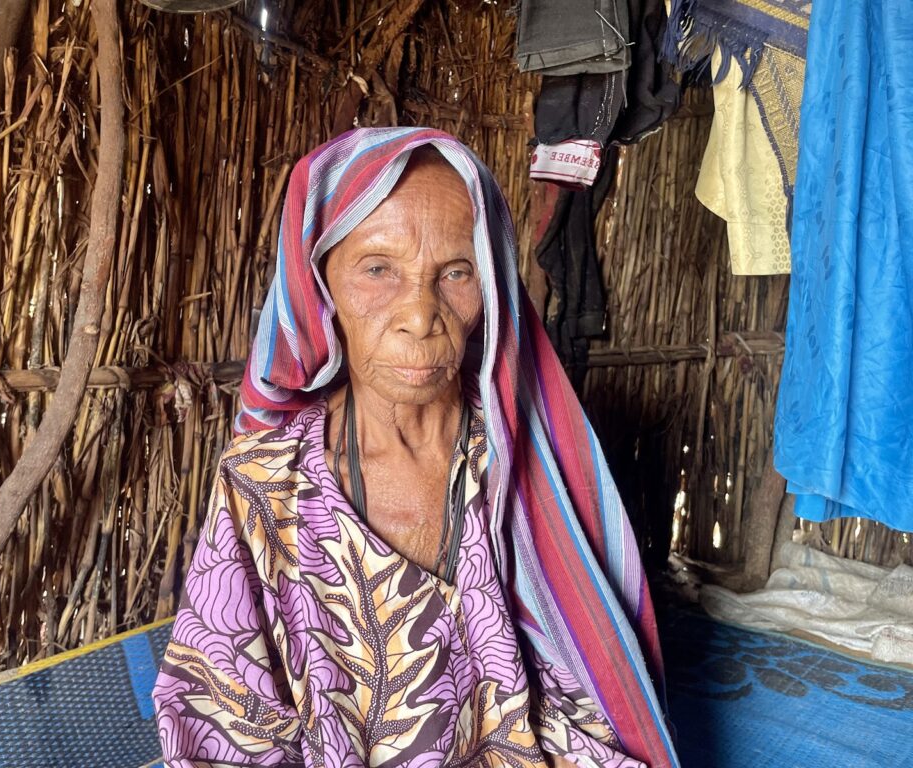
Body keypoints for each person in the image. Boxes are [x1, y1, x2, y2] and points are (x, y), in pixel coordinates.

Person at [152, 128, 679, 768]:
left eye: (457, 272)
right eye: (378, 269)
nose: (421, 314)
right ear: (319, 285)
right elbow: (222, 717)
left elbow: (595, 700)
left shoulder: (531, 465)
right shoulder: (267, 486)